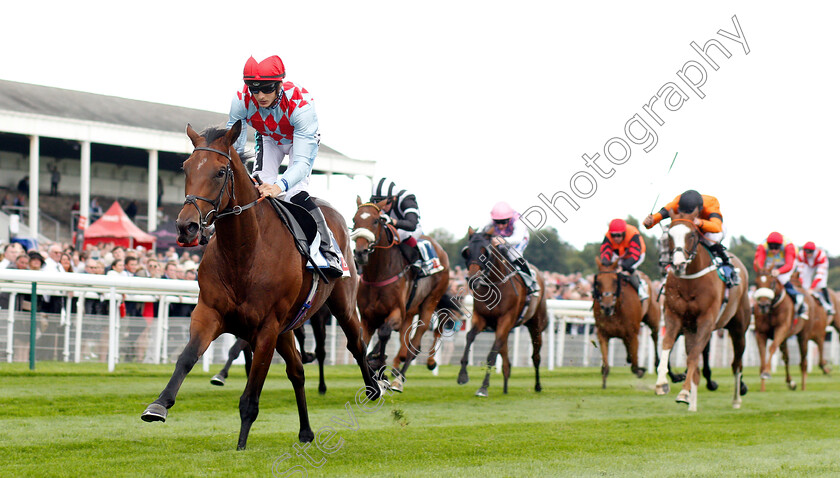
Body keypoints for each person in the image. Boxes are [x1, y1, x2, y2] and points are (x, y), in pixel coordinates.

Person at [228, 55, 342, 278]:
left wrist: (279, 186)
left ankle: (329, 249)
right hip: (269, 138)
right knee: (257, 186)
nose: (260, 96)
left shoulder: (301, 105)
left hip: (299, 142)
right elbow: (234, 144)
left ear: (279, 84)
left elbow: (300, 164)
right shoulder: (241, 99)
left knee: (293, 192)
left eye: (267, 89)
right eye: (254, 89)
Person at [643, 189, 739, 288]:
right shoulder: (677, 202)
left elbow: (717, 227)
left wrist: (700, 223)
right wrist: (650, 221)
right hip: (689, 227)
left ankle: (726, 263)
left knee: (711, 240)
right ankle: (666, 268)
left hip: (709, 228)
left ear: (699, 209)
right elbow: (658, 216)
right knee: (669, 235)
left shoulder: (711, 203)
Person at [481, 201, 539, 295]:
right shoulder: (491, 220)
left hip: (518, 240)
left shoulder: (518, 222)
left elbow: (517, 239)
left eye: (503, 222)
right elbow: (481, 232)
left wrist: (503, 241)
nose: (500, 225)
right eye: (497, 222)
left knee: (514, 255)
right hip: (501, 238)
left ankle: (532, 282)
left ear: (509, 219)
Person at [370, 178, 424, 275]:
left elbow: (412, 224)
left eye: (385, 202)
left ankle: (417, 260)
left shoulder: (406, 199)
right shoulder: (375, 202)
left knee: (401, 234)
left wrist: (392, 221)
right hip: (389, 227)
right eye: (378, 201)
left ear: (394, 198)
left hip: (410, 228)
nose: (382, 206)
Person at [754, 232, 807, 320]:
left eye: (776, 248)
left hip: (786, 264)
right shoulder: (762, 246)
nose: (774, 250)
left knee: (782, 279)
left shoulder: (789, 246)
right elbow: (757, 264)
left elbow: (789, 265)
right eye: (771, 247)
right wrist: (764, 273)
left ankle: (799, 301)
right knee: (764, 280)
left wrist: (779, 271)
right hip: (771, 264)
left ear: (781, 245)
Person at [600, 218, 648, 301]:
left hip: (637, 255)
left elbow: (635, 255)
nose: (615, 238)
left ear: (624, 233)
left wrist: (623, 267)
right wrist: (605, 263)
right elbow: (605, 251)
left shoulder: (633, 233)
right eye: (613, 235)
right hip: (619, 254)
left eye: (618, 235)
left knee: (629, 269)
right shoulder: (607, 235)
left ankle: (640, 289)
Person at [796, 241, 834, 316]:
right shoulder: (801, 255)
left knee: (821, 285)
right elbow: (801, 273)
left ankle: (829, 305)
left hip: (820, 264)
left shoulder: (821, 255)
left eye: (810, 252)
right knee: (804, 285)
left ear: (814, 251)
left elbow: (819, 275)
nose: (808, 254)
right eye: (806, 252)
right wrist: (802, 286)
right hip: (808, 265)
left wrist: (812, 288)